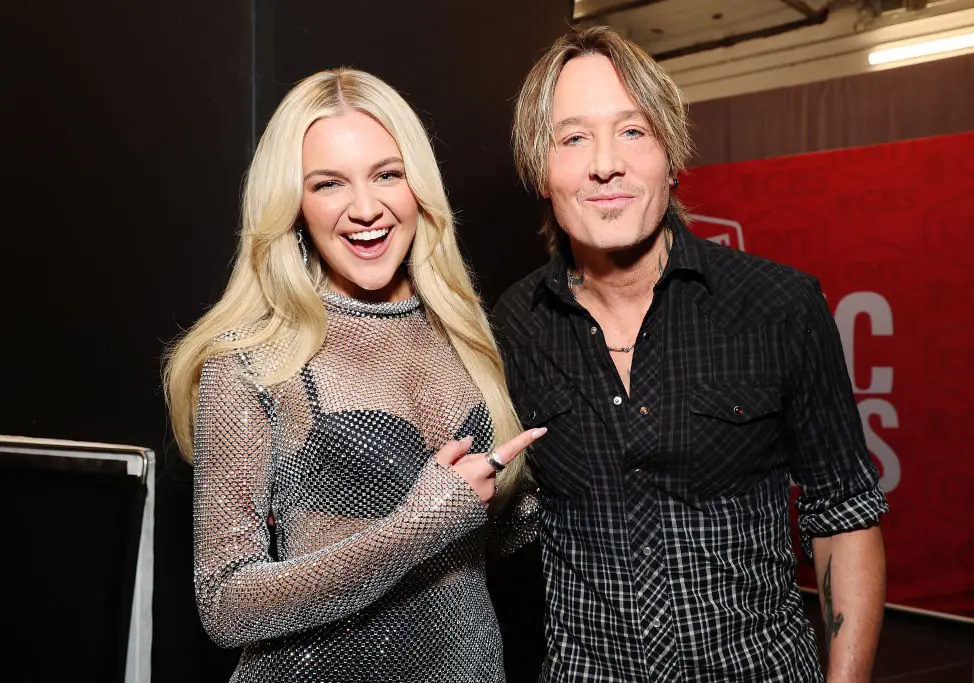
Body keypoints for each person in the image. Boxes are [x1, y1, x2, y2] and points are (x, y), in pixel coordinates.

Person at [493, 26, 888, 683]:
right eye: (573, 137)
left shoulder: (779, 305)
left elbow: (845, 514)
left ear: (671, 159)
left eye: (632, 131)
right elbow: (505, 528)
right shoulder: (510, 326)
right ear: (542, 170)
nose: (605, 163)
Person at [163, 67, 544, 683]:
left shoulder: (469, 337)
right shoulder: (254, 358)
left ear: (418, 187)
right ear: (293, 206)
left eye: (387, 175)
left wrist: (535, 493)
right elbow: (225, 606)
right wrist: (422, 521)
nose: (365, 208)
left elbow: (492, 544)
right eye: (328, 184)